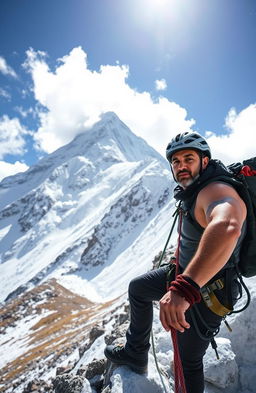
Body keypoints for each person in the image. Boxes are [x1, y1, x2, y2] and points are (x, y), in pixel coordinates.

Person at [104, 131, 247, 393]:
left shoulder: (215, 190)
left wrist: (185, 289)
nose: (181, 166)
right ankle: (136, 353)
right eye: (176, 161)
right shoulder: (193, 192)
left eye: (188, 159)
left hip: (209, 291)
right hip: (185, 275)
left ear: (204, 162)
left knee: (187, 359)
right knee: (139, 288)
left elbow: (227, 226)